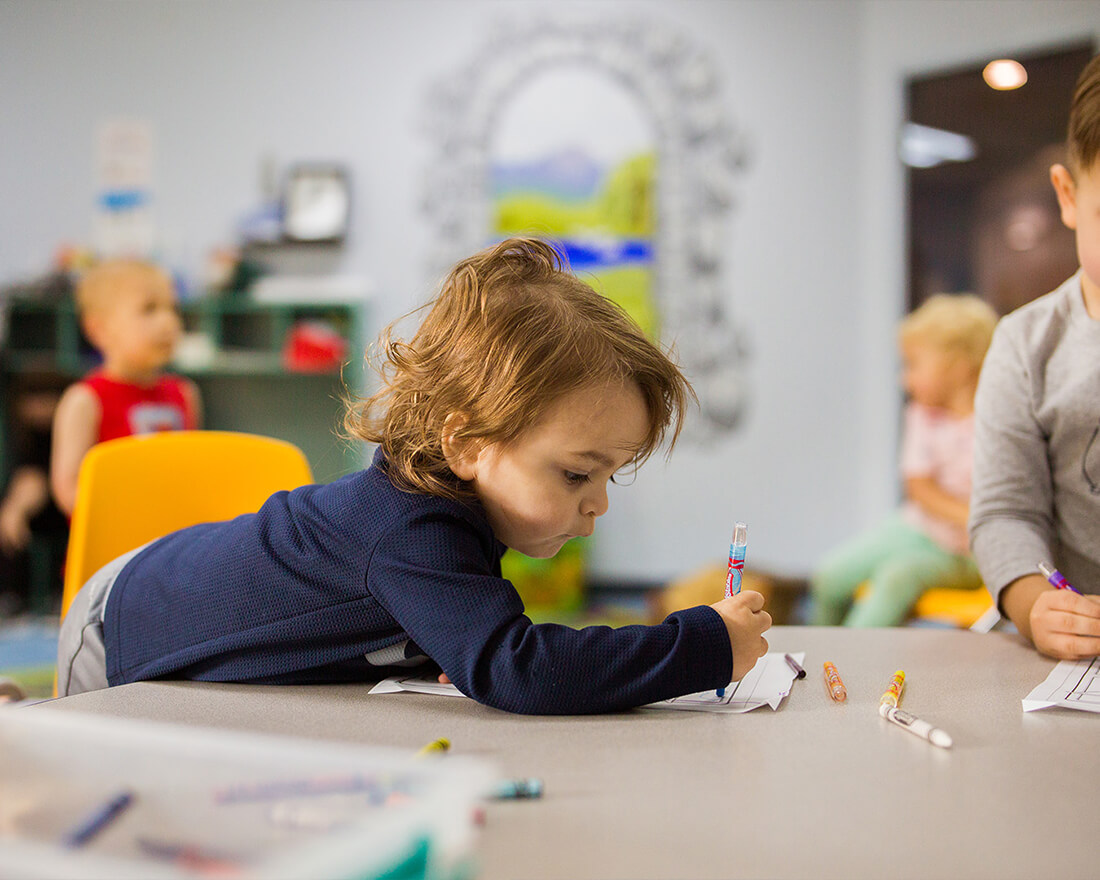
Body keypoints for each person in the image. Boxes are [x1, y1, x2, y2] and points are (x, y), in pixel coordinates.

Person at [57, 237, 771, 712]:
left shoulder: (446, 506)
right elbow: (517, 667)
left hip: (150, 598)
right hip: (118, 626)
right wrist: (703, 644)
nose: (598, 506)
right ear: (465, 444)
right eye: (578, 474)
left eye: (609, 476)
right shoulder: (410, 529)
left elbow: (476, 646)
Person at [969, 54, 1100, 659]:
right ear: (1068, 197)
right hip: (1077, 656)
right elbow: (1004, 515)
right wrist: (1033, 605)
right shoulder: (1026, 345)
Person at [811, 294, 998, 627]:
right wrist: (971, 515)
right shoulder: (922, 417)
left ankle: (846, 661)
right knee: (830, 576)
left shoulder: (999, 421)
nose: (904, 378)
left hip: (967, 554)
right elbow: (920, 488)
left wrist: (983, 525)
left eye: (913, 364)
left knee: (897, 578)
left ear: (957, 367)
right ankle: (811, 657)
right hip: (917, 528)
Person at [50, 259, 202, 516]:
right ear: (99, 329)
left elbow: (190, 474)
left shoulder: (185, 393)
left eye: (172, 309)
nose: (168, 322)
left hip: (170, 541)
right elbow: (68, 489)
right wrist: (125, 516)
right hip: (112, 549)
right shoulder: (85, 400)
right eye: (149, 309)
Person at [0, 372, 68, 615]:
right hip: (37, 516)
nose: (40, 407)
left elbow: (37, 481)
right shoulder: (25, 437)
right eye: (33, 398)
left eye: (49, 397)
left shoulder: (67, 428)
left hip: (65, 513)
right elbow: (30, 478)